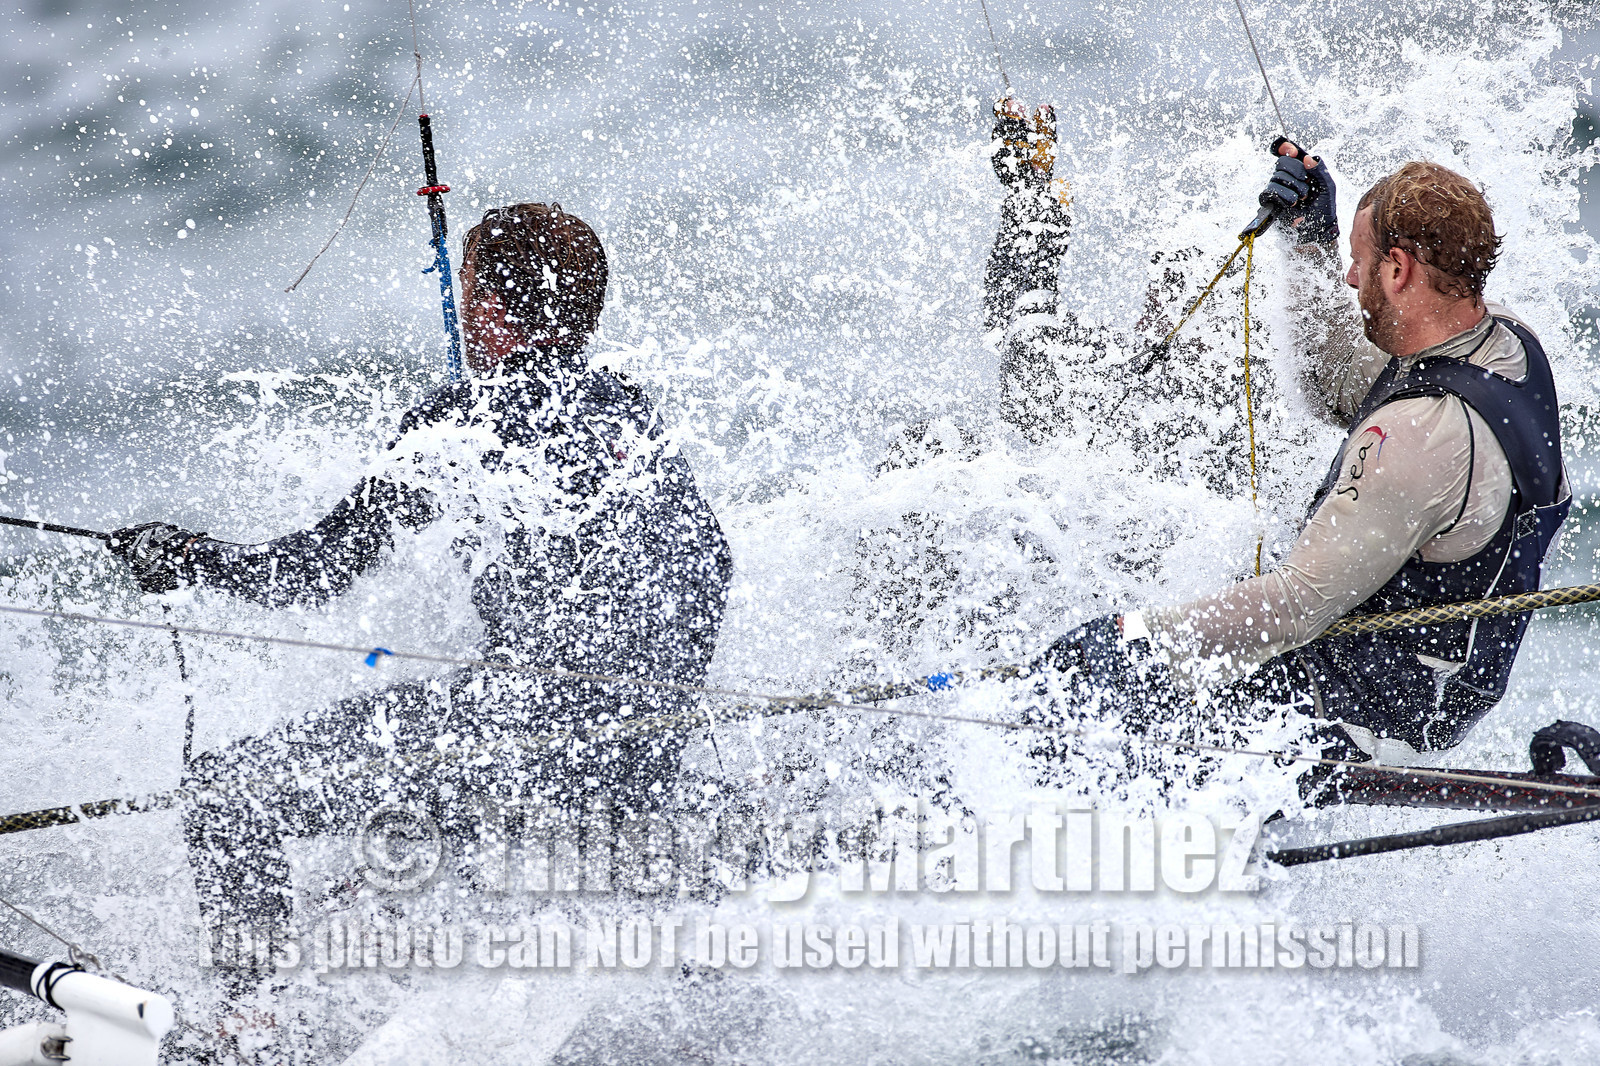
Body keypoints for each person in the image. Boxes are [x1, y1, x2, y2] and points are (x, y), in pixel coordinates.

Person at [107, 204, 734, 981]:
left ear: (494, 308)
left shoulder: (457, 424)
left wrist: (188, 558)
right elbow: (708, 566)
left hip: (527, 750)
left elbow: (308, 573)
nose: (462, 305)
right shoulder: (630, 412)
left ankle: (250, 1029)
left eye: (467, 285)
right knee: (422, 780)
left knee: (229, 793)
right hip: (640, 756)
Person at [1035, 139, 1571, 767]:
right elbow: (1340, 380)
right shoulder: (1501, 340)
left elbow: (1291, 606)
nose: (1348, 277)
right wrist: (1308, 243)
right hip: (1423, 672)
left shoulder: (1421, 440)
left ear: (1397, 270)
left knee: (1089, 708)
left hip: (1372, 713)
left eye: (1357, 260)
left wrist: (1133, 640)